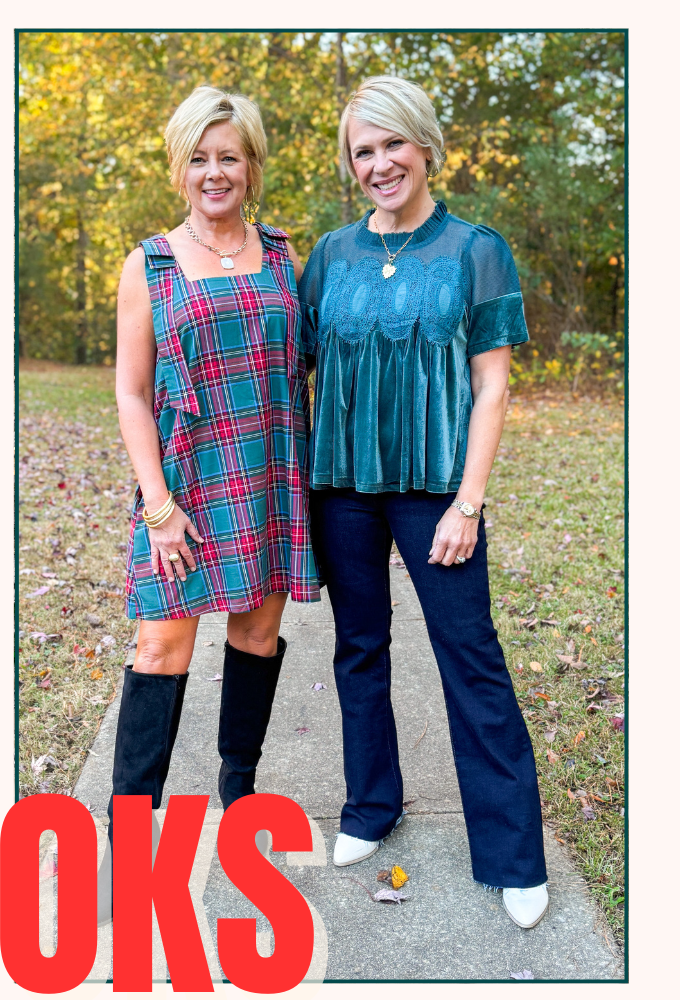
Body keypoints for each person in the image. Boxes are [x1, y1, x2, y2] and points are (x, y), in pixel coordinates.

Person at [301, 75, 548, 929]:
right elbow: (297, 368)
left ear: (426, 146)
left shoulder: (476, 249)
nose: (378, 164)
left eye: (391, 145)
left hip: (439, 493)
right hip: (343, 492)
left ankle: (514, 856)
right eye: (362, 152)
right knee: (359, 649)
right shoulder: (330, 255)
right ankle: (372, 807)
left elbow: (492, 388)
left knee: (469, 655)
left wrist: (468, 503)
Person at [110, 85, 319, 845]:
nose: (214, 172)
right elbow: (132, 394)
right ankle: (129, 826)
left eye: (228, 156)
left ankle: (240, 791)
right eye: (198, 157)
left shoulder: (286, 256)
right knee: (160, 646)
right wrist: (158, 508)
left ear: (252, 164)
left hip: (267, 478)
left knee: (256, 636)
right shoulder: (152, 263)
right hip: (187, 484)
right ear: (179, 167)